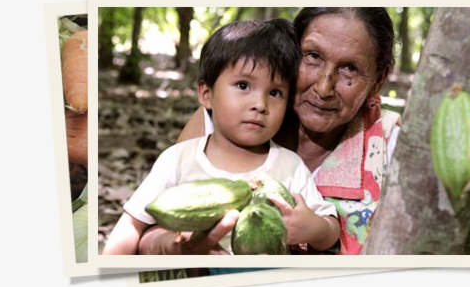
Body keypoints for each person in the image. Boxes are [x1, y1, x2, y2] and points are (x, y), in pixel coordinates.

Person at [157, 7, 401, 255]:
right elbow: (159, 223)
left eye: (350, 68)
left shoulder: (392, 147)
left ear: (378, 81)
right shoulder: (225, 121)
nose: (324, 87)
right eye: (313, 56)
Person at [102, 18, 339, 255]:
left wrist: (312, 228)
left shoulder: (290, 166)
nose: (260, 104)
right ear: (206, 94)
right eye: (243, 86)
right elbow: (131, 225)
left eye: (275, 92)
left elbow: (330, 230)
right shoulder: (178, 159)